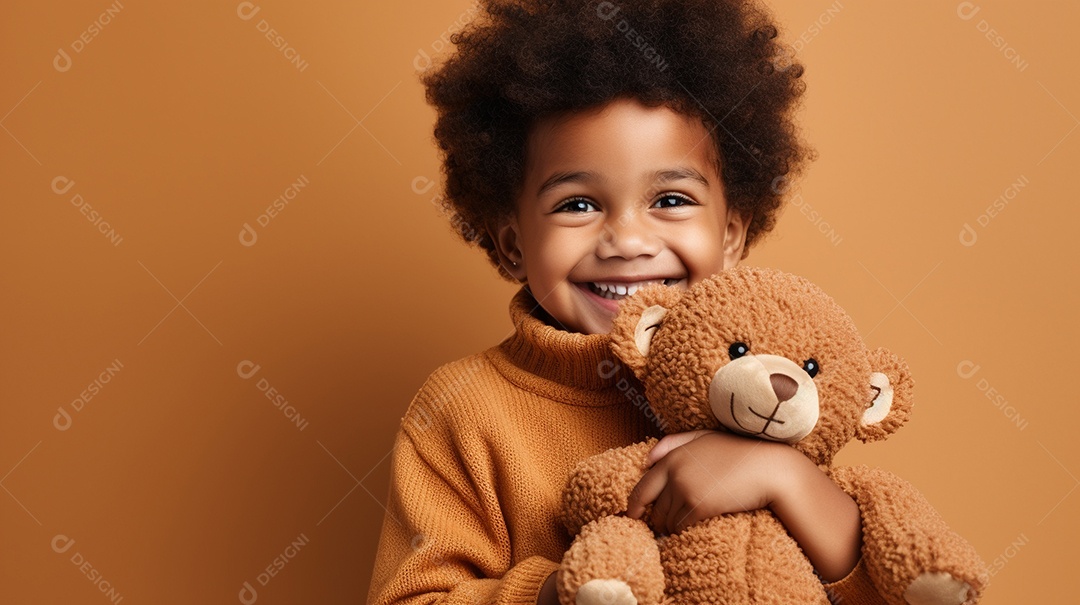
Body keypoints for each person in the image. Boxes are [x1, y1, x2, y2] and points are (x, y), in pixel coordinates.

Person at [369, 0, 887, 602]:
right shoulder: (461, 411)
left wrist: (786, 479)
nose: (629, 243)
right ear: (512, 245)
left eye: (670, 199)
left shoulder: (782, 388)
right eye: (578, 204)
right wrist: (568, 590)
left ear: (731, 234)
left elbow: (892, 590)